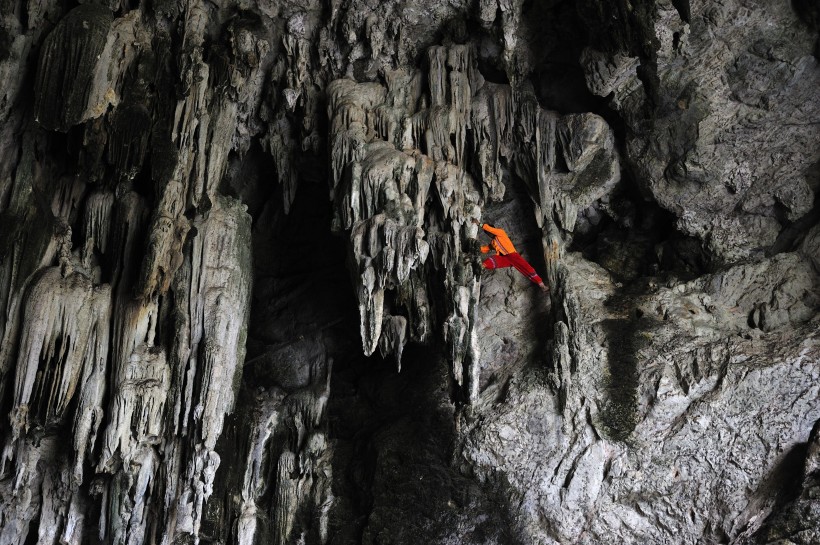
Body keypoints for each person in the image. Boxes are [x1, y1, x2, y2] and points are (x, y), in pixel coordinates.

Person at [472, 218, 548, 292]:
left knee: (527, 268)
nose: (489, 234)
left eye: (488, 232)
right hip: (505, 258)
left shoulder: (501, 233)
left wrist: (479, 224)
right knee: (493, 259)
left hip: (513, 255)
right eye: (487, 233)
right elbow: (486, 248)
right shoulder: (493, 243)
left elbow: (491, 229)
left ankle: (542, 285)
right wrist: (476, 247)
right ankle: (481, 267)